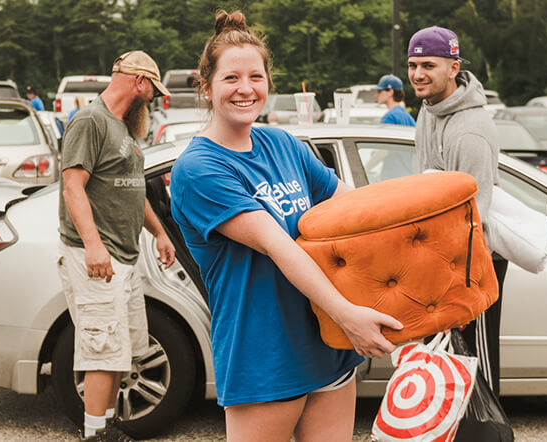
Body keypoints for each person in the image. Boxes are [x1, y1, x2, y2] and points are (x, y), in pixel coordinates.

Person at [170, 11, 402, 442]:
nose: (245, 89)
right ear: (206, 87)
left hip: (326, 341)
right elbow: (280, 246)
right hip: (265, 353)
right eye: (230, 78)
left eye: (255, 76)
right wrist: (349, 314)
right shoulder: (200, 168)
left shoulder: (282, 144)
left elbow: (355, 211)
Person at [58, 50, 176, 441]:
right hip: (97, 256)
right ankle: (93, 434)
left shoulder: (121, 128)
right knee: (101, 348)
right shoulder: (91, 120)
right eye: (153, 91)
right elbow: (72, 185)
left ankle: (108, 427)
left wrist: (159, 231)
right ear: (139, 82)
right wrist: (93, 246)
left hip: (123, 257)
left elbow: (132, 190)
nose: (153, 99)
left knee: (120, 351)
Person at [407, 26, 505, 395]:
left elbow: (474, 216)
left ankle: (488, 434)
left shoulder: (470, 131)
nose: (418, 74)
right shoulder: (430, 108)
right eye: (413, 64)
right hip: (441, 253)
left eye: (428, 65)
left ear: (453, 67)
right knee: (444, 368)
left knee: (475, 366)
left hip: (471, 259)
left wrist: (457, 286)